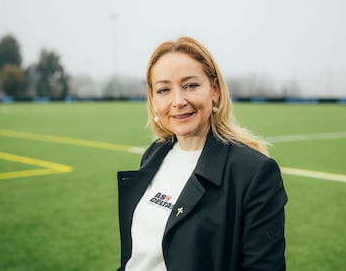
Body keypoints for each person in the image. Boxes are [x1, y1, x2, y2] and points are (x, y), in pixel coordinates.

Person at [117, 36, 288, 271]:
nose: (178, 101)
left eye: (190, 85)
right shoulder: (154, 155)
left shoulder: (254, 173)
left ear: (214, 90)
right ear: (153, 99)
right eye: (164, 89)